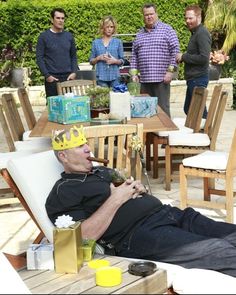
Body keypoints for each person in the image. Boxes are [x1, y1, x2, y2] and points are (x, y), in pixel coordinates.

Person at [46, 125, 236, 278]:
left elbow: (125, 186)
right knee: (221, 251)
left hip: (169, 214)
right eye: (80, 147)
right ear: (63, 156)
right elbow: (82, 237)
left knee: (232, 234)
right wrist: (117, 199)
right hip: (139, 235)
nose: (88, 148)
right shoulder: (63, 191)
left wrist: (136, 187)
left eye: (85, 143)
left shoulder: (101, 171)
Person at [130, 3, 180, 117]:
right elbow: (134, 57)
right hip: (144, 81)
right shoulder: (139, 35)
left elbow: (175, 51)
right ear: (143, 16)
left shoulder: (167, 30)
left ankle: (165, 134)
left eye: (151, 14)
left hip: (161, 80)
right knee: (144, 111)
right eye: (146, 14)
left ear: (156, 14)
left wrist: (170, 71)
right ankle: (149, 135)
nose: (149, 17)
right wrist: (134, 75)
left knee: (163, 110)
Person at [176, 5, 211, 119]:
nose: (187, 21)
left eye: (190, 18)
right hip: (194, 79)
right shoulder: (196, 33)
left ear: (199, 17)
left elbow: (204, 58)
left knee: (199, 112)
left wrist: (184, 56)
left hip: (198, 78)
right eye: (186, 18)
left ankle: (206, 134)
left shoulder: (202, 33)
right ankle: (203, 133)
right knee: (190, 109)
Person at [36, 8, 78, 100]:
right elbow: (39, 58)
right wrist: (47, 76)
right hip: (52, 79)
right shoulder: (43, 37)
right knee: (53, 109)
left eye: (62, 18)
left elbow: (74, 56)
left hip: (68, 78)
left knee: (68, 106)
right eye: (58, 18)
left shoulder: (69, 36)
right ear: (52, 19)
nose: (60, 21)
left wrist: (74, 72)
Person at [89, 15, 124, 88]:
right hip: (101, 77)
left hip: (115, 77)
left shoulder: (118, 42)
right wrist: (98, 58)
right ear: (103, 28)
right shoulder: (95, 42)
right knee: (103, 98)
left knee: (116, 98)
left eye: (111, 27)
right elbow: (91, 61)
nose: (109, 29)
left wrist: (115, 61)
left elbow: (122, 60)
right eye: (107, 27)